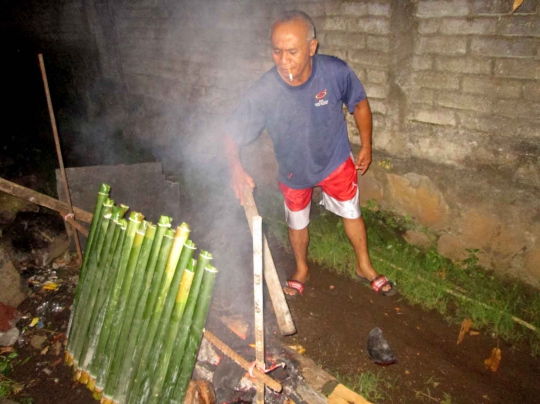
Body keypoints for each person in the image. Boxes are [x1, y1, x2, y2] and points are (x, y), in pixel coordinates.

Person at [224, 11, 397, 297]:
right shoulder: (265, 91)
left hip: (335, 160)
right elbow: (231, 132)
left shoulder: (335, 71)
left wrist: (366, 145)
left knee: (352, 212)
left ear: (312, 48)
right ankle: (302, 268)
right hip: (294, 169)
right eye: (277, 51)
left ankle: (364, 266)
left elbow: (360, 104)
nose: (283, 60)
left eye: (292, 51)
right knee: (296, 220)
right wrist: (235, 167)